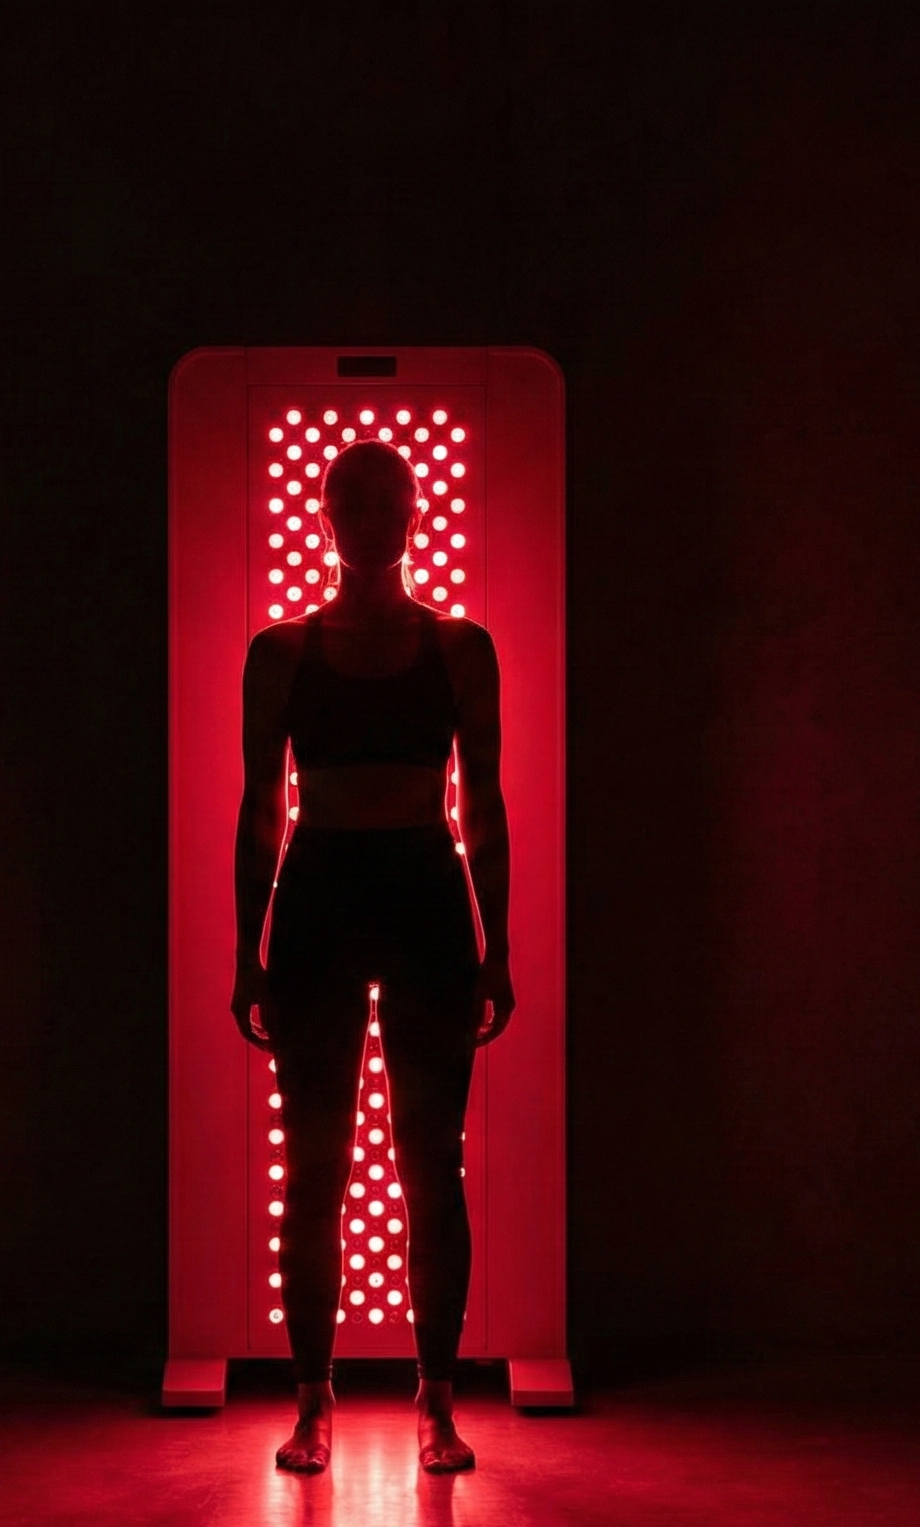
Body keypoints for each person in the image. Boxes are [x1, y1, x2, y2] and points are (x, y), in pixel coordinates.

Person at [230, 439, 516, 1475]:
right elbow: (261, 808)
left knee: (428, 1162)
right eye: (350, 503)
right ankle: (313, 1401)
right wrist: (245, 946)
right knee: (316, 1166)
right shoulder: (281, 652)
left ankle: (435, 1401)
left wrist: (496, 942)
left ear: (409, 516)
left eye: (382, 503)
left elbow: (480, 802)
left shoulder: (457, 648)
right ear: (327, 515)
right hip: (319, 896)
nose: (366, 521)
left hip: (422, 893)